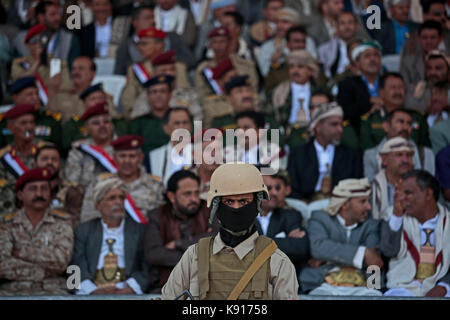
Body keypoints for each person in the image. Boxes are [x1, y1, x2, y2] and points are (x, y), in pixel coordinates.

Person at [161, 162, 299, 299]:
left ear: (256, 205)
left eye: (244, 201)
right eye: (228, 202)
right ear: (216, 206)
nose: (236, 208)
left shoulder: (277, 261)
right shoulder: (194, 256)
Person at [298, 178, 383, 296]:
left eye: (368, 201)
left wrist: (329, 256)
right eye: (362, 202)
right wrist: (362, 253)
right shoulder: (320, 218)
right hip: (323, 284)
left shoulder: (371, 225)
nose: (368, 207)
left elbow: (374, 260)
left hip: (362, 286)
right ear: (344, 205)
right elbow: (318, 248)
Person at [72, 177, 153, 295]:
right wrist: (92, 291)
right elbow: (75, 266)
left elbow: (147, 267)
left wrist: (131, 289)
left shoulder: (139, 230)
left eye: (121, 198)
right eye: (112, 198)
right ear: (98, 205)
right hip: (91, 291)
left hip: (128, 292)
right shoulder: (83, 230)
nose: (118, 202)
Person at [0, 168, 73, 296]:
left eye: (44, 189)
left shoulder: (62, 222)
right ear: (20, 195)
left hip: (53, 291)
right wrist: (42, 272)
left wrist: (20, 253)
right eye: (33, 189)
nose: (39, 193)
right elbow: (3, 265)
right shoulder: (6, 224)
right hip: (12, 291)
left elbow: (61, 262)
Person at [380, 170, 450, 297]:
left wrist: (444, 286)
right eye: (399, 193)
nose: (401, 198)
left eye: (408, 193)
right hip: (401, 288)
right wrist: (397, 215)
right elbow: (389, 251)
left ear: (428, 194)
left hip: (442, 288)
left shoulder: (448, 220)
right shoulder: (391, 215)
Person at [144, 170, 218, 290]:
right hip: (167, 285)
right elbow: (154, 255)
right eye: (187, 194)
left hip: (207, 285)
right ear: (171, 196)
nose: (194, 199)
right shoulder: (157, 216)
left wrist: (179, 243)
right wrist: (199, 256)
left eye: (196, 193)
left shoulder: (210, 211)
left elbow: (217, 239)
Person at [80, 135, 165, 224]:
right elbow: (87, 217)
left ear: (140, 158)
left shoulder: (156, 184)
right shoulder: (100, 183)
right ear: (114, 158)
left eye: (132, 156)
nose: (127, 161)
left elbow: (162, 219)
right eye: (122, 156)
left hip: (145, 235)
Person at [288, 102, 362, 202]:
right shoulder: (298, 155)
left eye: (341, 125)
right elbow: (292, 190)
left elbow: (356, 188)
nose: (340, 129)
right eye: (334, 124)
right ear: (318, 127)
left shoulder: (351, 156)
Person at [359, 72, 431, 152]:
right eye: (392, 88)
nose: (397, 92)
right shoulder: (370, 120)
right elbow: (367, 152)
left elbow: (426, 151)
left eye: (401, 87)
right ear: (381, 93)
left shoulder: (418, 118)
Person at [0, 104, 52, 209]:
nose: (29, 127)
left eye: (31, 122)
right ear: (11, 128)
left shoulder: (47, 150)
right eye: (23, 123)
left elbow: (58, 181)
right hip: (12, 209)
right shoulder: (4, 156)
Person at [259, 171, 310, 275]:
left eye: (277, 188)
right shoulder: (243, 215)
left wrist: (255, 243)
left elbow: (300, 248)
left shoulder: (291, 215)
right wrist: (283, 241)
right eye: (268, 188)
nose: (274, 192)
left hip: (281, 277)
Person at [363, 109, 434, 181]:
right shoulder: (371, 155)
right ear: (386, 126)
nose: (405, 127)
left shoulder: (426, 153)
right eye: (400, 122)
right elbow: (371, 186)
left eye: (409, 123)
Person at [64, 102, 117, 191]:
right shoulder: (79, 151)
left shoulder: (123, 148)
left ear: (112, 125)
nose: (102, 126)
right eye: (96, 123)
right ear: (87, 128)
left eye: (106, 122)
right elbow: (72, 184)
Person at [0, 76, 62, 148]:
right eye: (29, 94)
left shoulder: (50, 120)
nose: (36, 98)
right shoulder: (4, 122)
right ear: (15, 98)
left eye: (37, 94)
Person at [337, 41, 383, 136]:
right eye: (367, 56)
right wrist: (369, 103)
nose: (372, 59)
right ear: (357, 63)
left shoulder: (388, 80)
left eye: (376, 55)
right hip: (359, 132)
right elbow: (344, 111)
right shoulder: (348, 84)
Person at [35, 145, 83, 227]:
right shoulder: (27, 190)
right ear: (35, 164)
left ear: (60, 164)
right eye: (44, 159)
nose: (49, 162)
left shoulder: (71, 190)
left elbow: (76, 223)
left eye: (54, 159)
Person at [371, 137, 415, 220]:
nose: (405, 160)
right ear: (384, 159)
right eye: (399, 155)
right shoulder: (371, 190)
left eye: (409, 155)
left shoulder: (421, 187)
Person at [129, 75, 174, 157]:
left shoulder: (181, 118)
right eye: (154, 92)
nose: (158, 95)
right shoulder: (138, 123)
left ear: (170, 94)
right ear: (148, 96)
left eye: (163, 91)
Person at [148, 107, 193, 185]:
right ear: (166, 128)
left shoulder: (201, 153)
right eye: (177, 123)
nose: (181, 127)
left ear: (191, 127)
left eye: (185, 123)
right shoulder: (154, 156)